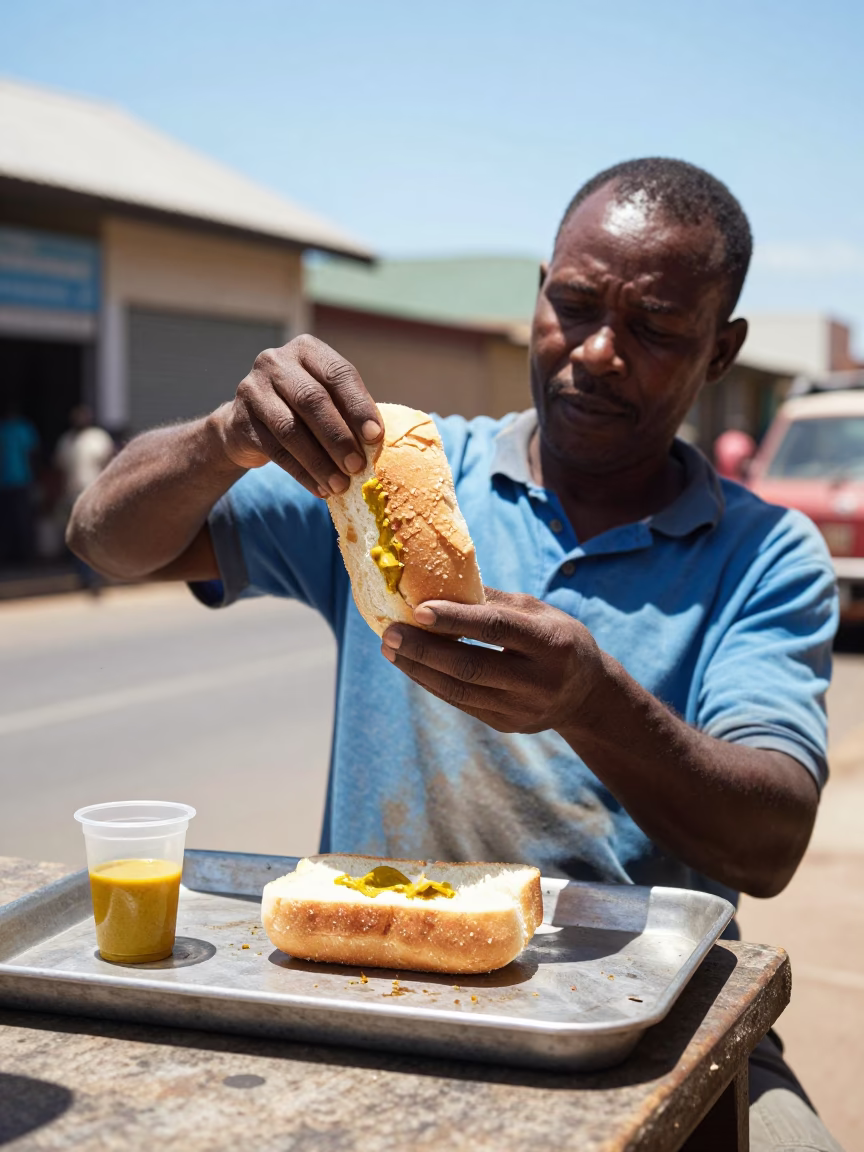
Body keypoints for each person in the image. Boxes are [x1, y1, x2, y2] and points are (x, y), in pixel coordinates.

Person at [68, 158, 841, 1151]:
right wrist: (227, 434)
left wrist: (591, 699)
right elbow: (105, 539)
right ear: (538, 296)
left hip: (645, 1012)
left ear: (722, 350)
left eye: (653, 328)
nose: (599, 352)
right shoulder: (393, 473)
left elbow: (769, 840)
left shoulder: (762, 553)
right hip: (367, 974)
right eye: (572, 304)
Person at [54, 405, 114, 591]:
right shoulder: (66, 441)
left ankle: (96, 575)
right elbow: (61, 470)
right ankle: (86, 576)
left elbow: (110, 464)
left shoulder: (98, 438)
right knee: (78, 539)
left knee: (94, 537)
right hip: (73, 496)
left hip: (95, 494)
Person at [0, 401, 40, 565]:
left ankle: (25, 555)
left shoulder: (23, 428)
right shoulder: (5, 429)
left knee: (22, 520)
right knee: (9, 521)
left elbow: (33, 453)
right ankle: (12, 555)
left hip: (22, 481)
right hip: (7, 483)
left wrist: (35, 478)